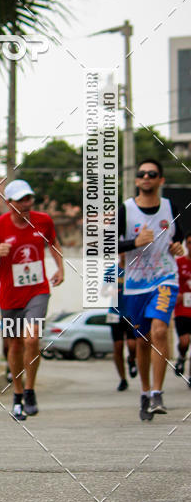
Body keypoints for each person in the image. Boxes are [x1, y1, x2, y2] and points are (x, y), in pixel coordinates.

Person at [0, 179, 64, 421]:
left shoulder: (44, 221)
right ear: (9, 203)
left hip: (37, 290)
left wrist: (60, 269)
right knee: (14, 345)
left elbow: (53, 243)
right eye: (21, 200)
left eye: (29, 199)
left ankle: (30, 390)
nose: (27, 204)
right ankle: (17, 394)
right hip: (10, 295)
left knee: (32, 337)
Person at [118, 159, 183, 421]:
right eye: (142, 174)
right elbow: (105, 245)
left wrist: (178, 247)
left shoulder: (172, 208)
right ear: (136, 181)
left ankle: (158, 392)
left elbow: (179, 240)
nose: (146, 177)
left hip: (166, 277)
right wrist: (135, 241)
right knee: (142, 341)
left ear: (160, 180)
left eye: (152, 174)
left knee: (159, 330)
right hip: (135, 286)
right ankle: (145, 392)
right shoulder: (126, 210)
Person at [107, 263, 137, 392]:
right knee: (118, 347)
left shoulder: (136, 269)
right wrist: (110, 291)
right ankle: (123, 379)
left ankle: (131, 360)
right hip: (114, 313)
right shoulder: (112, 271)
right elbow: (103, 291)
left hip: (131, 313)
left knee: (132, 345)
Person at [173, 232, 191, 384]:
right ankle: (181, 356)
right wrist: (177, 295)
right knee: (184, 341)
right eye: (190, 242)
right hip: (182, 309)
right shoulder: (179, 263)